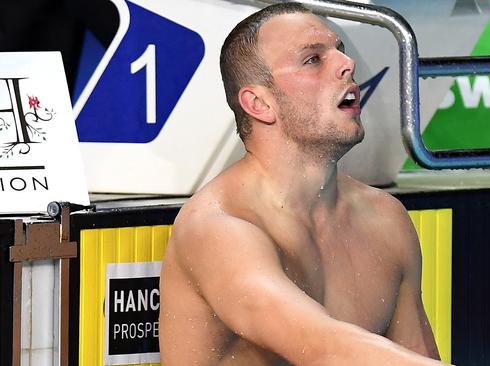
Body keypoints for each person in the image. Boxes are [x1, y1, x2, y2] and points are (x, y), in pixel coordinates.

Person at [160, 3, 448, 365]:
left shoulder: (385, 219)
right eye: (313, 59)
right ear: (259, 104)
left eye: (339, 51)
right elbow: (320, 347)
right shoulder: (218, 229)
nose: (348, 65)